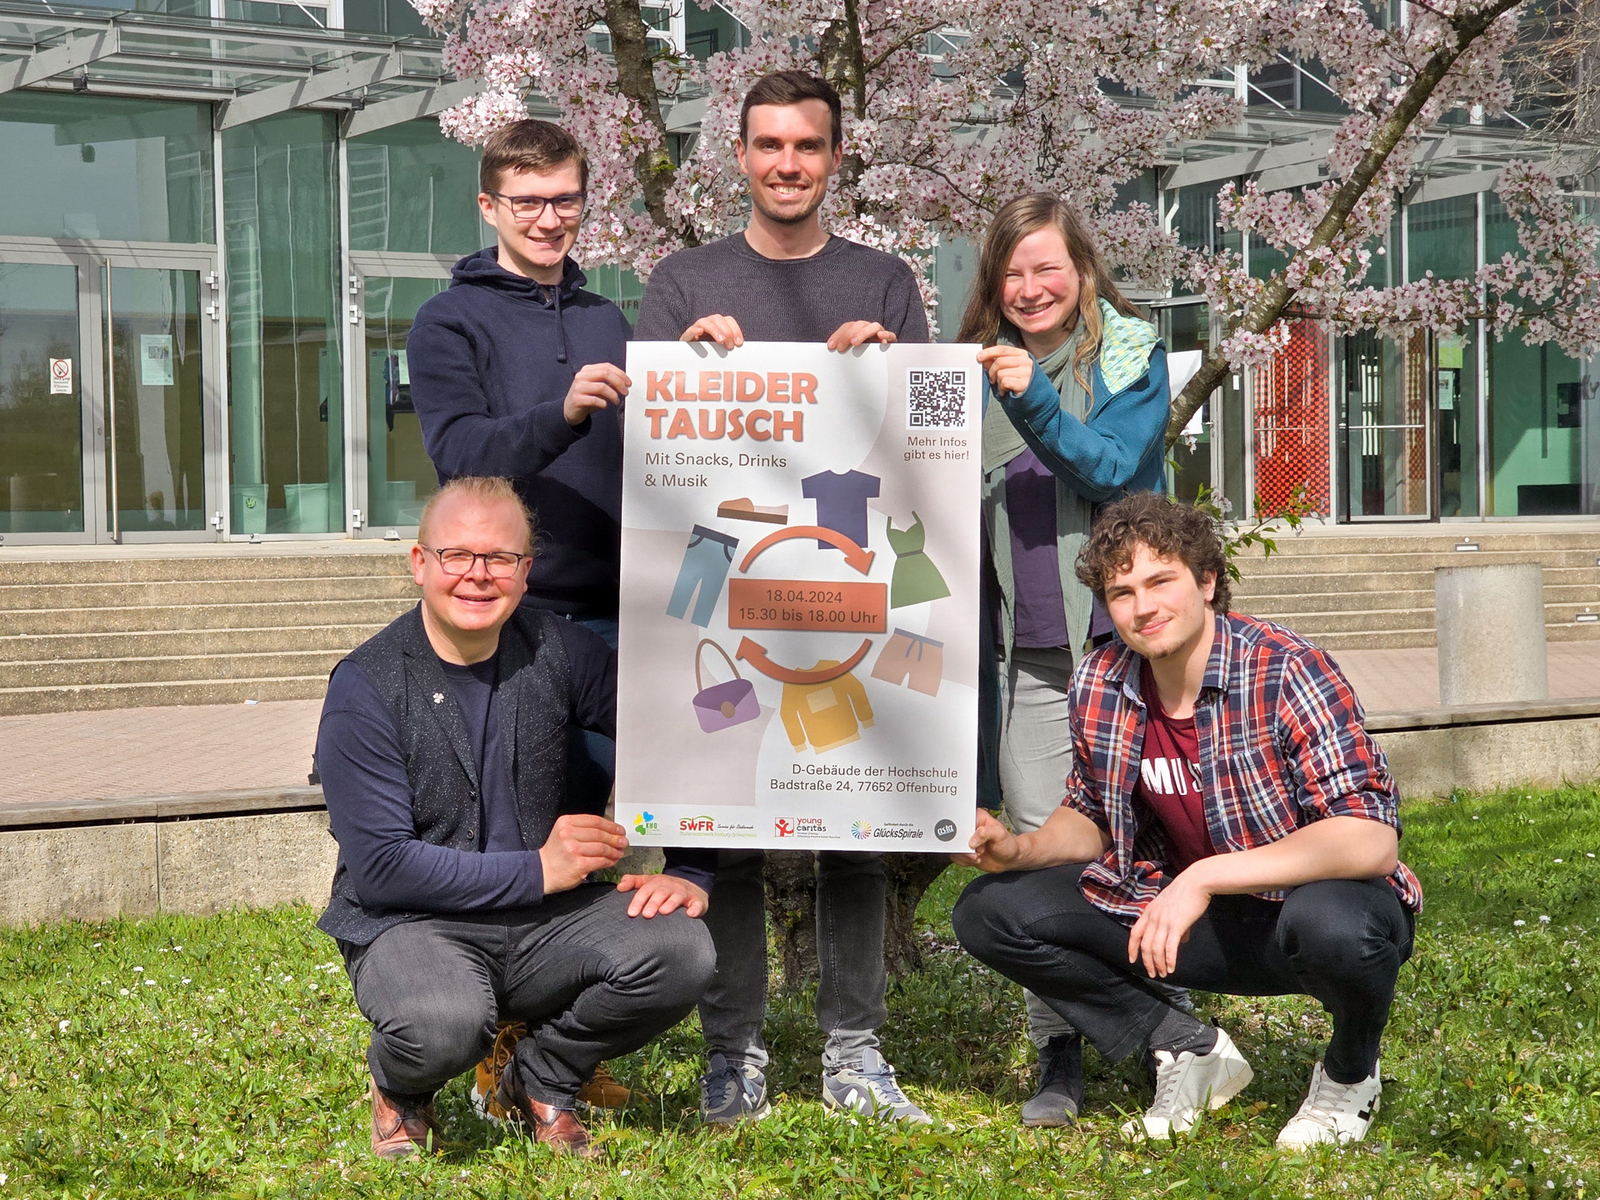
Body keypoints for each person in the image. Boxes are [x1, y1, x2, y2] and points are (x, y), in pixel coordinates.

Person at [634, 69, 931, 1127]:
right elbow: (662, 454)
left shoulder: (885, 281)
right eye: (768, 146)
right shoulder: (680, 283)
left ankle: (854, 1053)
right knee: (723, 824)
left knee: (854, 827)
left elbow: (914, 457)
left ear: (835, 157)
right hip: (719, 584)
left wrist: (889, 370)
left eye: (807, 146)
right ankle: (733, 1053)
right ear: (740, 156)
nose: (787, 164)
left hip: (842, 581)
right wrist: (688, 369)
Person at [952, 492, 1422, 1149]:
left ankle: (1350, 1072)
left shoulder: (1286, 668)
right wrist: (1018, 849)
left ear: (1206, 581)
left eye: (1160, 580)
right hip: (1180, 922)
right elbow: (1092, 813)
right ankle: (1186, 1046)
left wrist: (1204, 876)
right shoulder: (1101, 680)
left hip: (1300, 914)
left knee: (1341, 928)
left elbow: (1369, 838)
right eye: (1120, 593)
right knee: (991, 910)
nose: (1141, 607)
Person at [315, 476, 716, 1160]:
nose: (477, 575)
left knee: (682, 950)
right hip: (412, 924)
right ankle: (399, 1087)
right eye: (456, 556)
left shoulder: (560, 650)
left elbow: (680, 730)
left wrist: (692, 865)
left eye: (499, 558)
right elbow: (382, 872)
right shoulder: (365, 686)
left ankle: (542, 1072)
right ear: (420, 564)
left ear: (526, 573)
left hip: (542, 923)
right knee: (443, 1022)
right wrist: (540, 869)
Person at [406, 118, 662, 1108]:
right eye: (528, 202)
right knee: (514, 833)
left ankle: (557, 1050)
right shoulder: (447, 321)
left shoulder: (610, 319)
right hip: (515, 615)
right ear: (489, 207)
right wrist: (562, 414)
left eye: (563, 199)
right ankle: (494, 1053)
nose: (548, 218)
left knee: (593, 827)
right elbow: (462, 460)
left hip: (628, 610)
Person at [957, 194, 1172, 1127]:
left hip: (1125, 656)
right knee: (1041, 866)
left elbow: (1113, 469)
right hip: (1029, 661)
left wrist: (1032, 396)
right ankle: (1061, 1052)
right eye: (1012, 271)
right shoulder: (966, 371)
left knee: (1149, 848)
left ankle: (1174, 1033)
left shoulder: (1128, 357)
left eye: (1048, 267)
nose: (1031, 287)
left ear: (1083, 269)